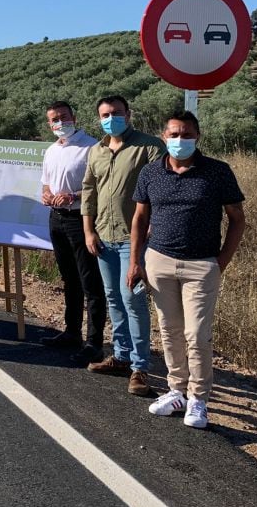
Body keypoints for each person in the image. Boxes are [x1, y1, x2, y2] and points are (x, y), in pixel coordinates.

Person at [130, 111, 246, 429]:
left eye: (187, 134)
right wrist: (136, 262)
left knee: (197, 335)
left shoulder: (218, 172)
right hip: (159, 261)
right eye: (174, 134)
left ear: (198, 137)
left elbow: (237, 218)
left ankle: (198, 399)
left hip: (201, 264)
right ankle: (176, 391)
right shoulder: (151, 173)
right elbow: (140, 218)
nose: (180, 140)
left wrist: (221, 261)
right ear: (164, 136)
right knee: (169, 331)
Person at [81, 95, 165, 396]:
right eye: (105, 114)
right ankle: (121, 355)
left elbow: (160, 189)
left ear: (128, 115)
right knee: (113, 297)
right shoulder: (96, 150)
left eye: (116, 113)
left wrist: (150, 233)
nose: (111, 118)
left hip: (135, 240)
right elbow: (88, 190)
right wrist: (88, 231)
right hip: (103, 236)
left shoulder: (149, 147)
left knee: (133, 300)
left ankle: (140, 368)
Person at [38, 101, 106, 355]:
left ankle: (94, 343)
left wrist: (73, 196)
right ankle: (72, 332)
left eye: (63, 117)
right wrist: (47, 194)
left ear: (74, 117)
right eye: (54, 120)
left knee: (91, 282)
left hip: (82, 220)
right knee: (69, 278)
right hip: (56, 219)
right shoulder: (51, 150)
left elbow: (100, 186)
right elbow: (46, 183)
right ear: (49, 124)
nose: (59, 123)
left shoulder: (92, 147)